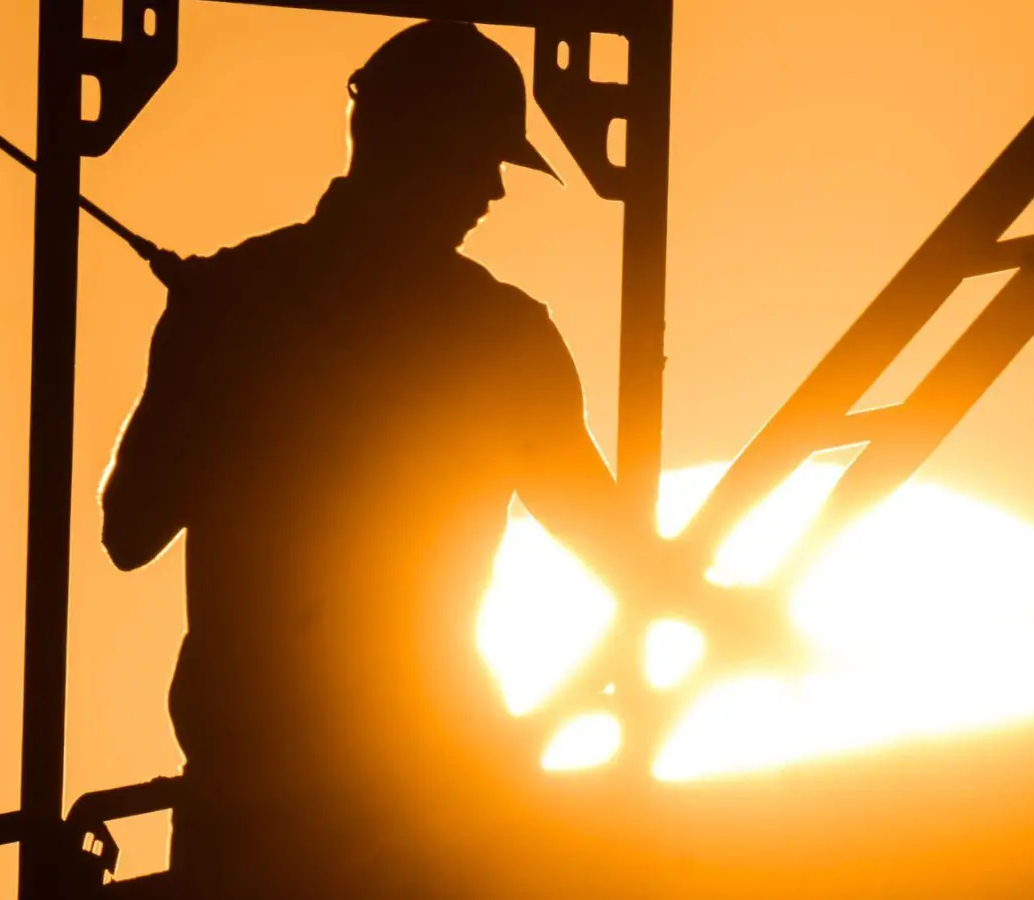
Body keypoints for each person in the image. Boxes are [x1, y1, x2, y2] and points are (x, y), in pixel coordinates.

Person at [100, 20, 673, 898]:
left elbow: (130, 525)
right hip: (402, 809)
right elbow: (131, 533)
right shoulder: (498, 337)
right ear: (408, 144)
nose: (493, 190)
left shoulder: (233, 305)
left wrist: (217, 360)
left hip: (282, 812)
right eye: (478, 158)